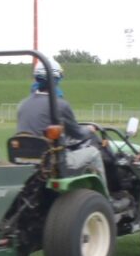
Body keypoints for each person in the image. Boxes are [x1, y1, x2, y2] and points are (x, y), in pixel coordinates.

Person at [16, 60, 107, 189]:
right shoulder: (60, 105)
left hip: (27, 162)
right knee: (93, 153)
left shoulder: (22, 104)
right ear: (55, 80)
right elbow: (78, 134)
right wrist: (89, 129)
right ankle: (106, 201)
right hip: (53, 164)